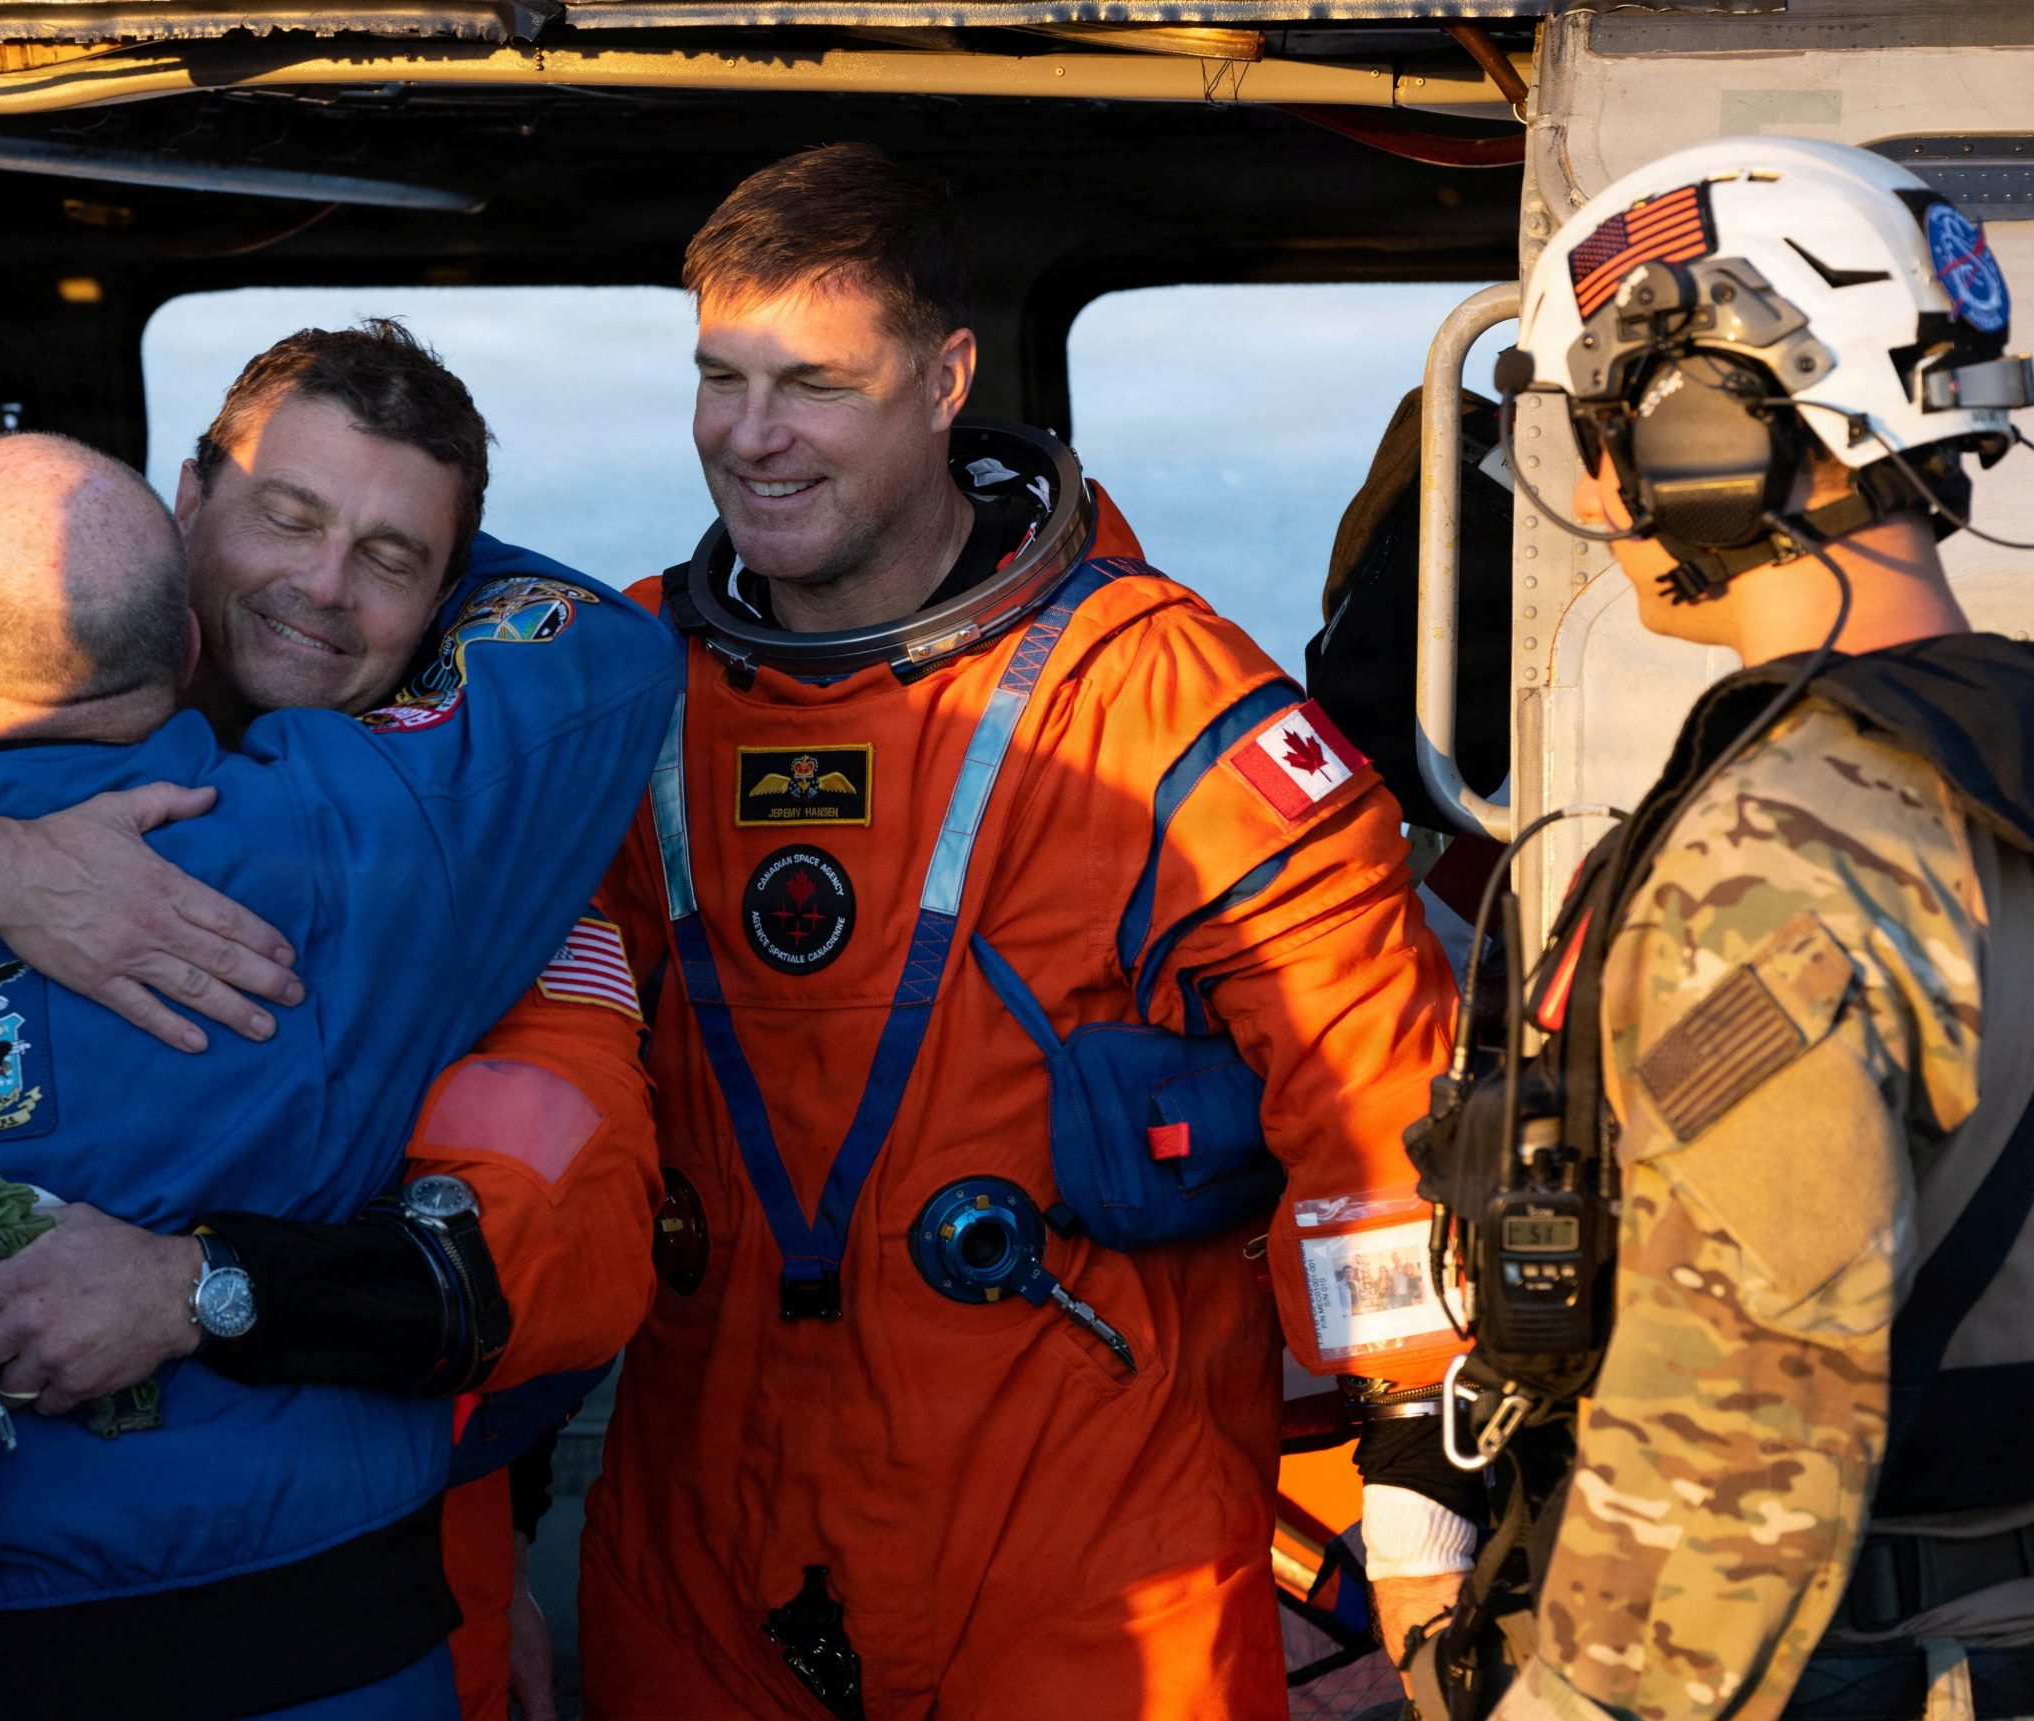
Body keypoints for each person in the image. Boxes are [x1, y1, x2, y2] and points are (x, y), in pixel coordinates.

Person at [0, 325, 664, 1721]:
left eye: (393, 558)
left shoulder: (482, 850)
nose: (321, 587)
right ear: (188, 498)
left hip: (373, 1594)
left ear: (449, 596)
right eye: (287, 514)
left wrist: (203, 1282)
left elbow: (574, 1237)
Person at [573, 142, 1471, 1720]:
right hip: (700, 1534)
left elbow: (1368, 1082)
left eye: (815, 383)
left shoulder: (1158, 697)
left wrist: (1410, 1455)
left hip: (1079, 1536)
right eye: (721, 377)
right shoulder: (618, 684)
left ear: (944, 381)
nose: (752, 435)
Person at [1412, 135, 2034, 1721]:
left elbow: (1746, 1430)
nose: (1602, 491)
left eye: (1612, 433)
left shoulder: (1779, 853)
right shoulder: (1997, 754)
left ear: (1710, 436)